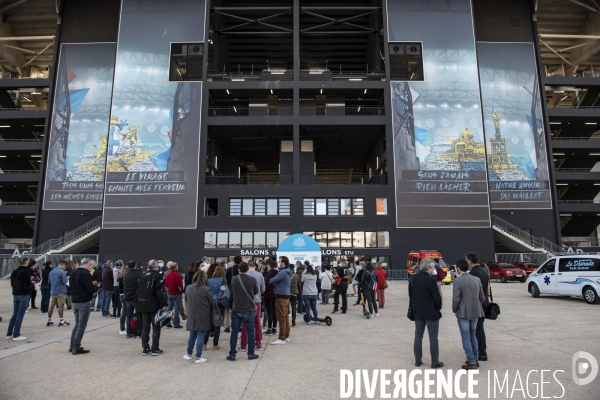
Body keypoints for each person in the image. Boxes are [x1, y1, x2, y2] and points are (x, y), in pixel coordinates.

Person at [409, 258, 443, 369]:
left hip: (418, 311)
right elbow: (436, 297)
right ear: (428, 268)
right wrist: (439, 307)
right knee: (433, 337)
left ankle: (417, 360)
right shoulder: (431, 280)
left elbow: (411, 295)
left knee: (418, 336)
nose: (434, 269)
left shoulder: (413, 278)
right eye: (433, 267)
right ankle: (434, 361)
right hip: (431, 311)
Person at [452, 259, 485, 370]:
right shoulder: (476, 279)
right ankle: (475, 358)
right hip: (475, 311)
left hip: (463, 312)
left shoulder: (458, 281)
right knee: (473, 335)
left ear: (458, 268)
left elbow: (456, 298)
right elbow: (482, 297)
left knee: (466, 337)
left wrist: (455, 309)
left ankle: (471, 361)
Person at [226, 262, 259, 361]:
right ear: (248, 269)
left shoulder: (234, 279)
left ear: (238, 270)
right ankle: (250, 353)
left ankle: (232, 354)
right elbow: (256, 292)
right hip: (248, 308)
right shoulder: (252, 279)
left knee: (234, 332)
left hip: (236, 308)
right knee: (250, 331)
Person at [137, 259, 168, 356]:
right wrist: (164, 304)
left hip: (143, 304)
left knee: (145, 327)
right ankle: (155, 348)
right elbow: (160, 292)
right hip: (153, 304)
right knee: (156, 326)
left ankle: (145, 347)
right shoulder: (158, 276)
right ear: (156, 266)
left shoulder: (142, 275)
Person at [183, 270, 214, 364]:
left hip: (192, 314)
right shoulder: (206, 289)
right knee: (201, 335)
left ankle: (188, 354)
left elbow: (186, 300)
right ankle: (198, 356)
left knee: (192, 334)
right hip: (203, 315)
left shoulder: (188, 288)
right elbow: (212, 302)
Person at [69, 258, 97, 354]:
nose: (91, 268)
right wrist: (95, 286)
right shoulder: (85, 274)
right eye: (91, 266)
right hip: (83, 301)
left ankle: (72, 345)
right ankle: (76, 347)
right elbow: (90, 289)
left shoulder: (74, 272)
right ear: (89, 265)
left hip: (75, 299)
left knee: (77, 323)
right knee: (81, 325)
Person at [466, 252, 490, 362]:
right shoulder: (483, 270)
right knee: (479, 328)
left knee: (477, 329)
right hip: (485, 302)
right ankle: (481, 351)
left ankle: (482, 353)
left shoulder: (473, 273)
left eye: (467, 259)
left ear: (470, 261)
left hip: (477, 304)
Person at [239, 261, 265, 351]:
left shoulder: (244, 275)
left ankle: (243, 344)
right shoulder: (260, 275)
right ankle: (258, 343)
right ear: (255, 266)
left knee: (245, 323)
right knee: (257, 322)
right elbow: (263, 289)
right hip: (257, 300)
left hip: (246, 301)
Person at [6, 257, 32, 341]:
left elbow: (12, 283)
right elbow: (27, 285)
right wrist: (31, 284)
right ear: (25, 263)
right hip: (23, 294)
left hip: (16, 293)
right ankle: (16, 334)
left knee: (15, 314)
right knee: (20, 314)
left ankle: (9, 333)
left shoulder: (14, 271)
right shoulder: (26, 272)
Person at [269, 256, 293, 345]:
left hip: (281, 296)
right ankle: (286, 336)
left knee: (281, 318)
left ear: (283, 263)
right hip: (286, 295)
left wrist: (275, 282)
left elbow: (272, 280)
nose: (278, 262)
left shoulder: (282, 272)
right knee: (285, 317)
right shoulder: (288, 272)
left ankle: (281, 337)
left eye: (279, 261)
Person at [206, 265, 227, 350]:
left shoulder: (209, 280)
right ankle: (215, 344)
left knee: (208, 323)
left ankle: (204, 343)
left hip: (210, 302)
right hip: (219, 302)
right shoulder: (223, 280)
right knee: (217, 324)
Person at [47, 260, 69, 327]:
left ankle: (49, 320)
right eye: (65, 265)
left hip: (53, 291)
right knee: (61, 306)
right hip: (61, 290)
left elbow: (49, 281)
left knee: (51, 306)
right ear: (62, 265)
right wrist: (67, 279)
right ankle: (61, 321)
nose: (65, 267)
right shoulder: (62, 272)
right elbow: (64, 281)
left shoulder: (51, 271)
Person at [123, 260, 142, 338]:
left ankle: (129, 332)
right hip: (136, 297)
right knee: (139, 314)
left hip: (127, 297)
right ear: (135, 265)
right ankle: (139, 330)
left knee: (128, 315)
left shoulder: (125, 275)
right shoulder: (139, 274)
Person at [164, 261, 184, 329]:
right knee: (177, 309)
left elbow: (166, 285)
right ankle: (176, 323)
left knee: (169, 309)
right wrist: (181, 291)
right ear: (176, 267)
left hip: (170, 293)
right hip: (177, 293)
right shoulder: (178, 275)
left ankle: (168, 323)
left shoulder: (167, 275)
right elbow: (180, 286)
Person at [263, 258, 278, 336]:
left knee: (269, 312)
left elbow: (266, 284)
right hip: (275, 293)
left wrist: (263, 292)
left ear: (268, 264)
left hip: (268, 294)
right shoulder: (277, 273)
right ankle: (274, 328)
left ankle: (269, 329)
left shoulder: (269, 273)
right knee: (274, 311)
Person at [117, 262, 129, 334]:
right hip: (126, 294)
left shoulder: (120, 276)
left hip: (121, 294)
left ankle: (122, 328)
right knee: (127, 312)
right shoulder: (126, 276)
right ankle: (127, 328)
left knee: (124, 312)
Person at [290, 262, 301, 327]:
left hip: (287, 293)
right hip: (294, 293)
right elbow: (299, 285)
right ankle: (293, 321)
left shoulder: (287, 275)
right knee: (294, 307)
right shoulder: (297, 276)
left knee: (286, 307)